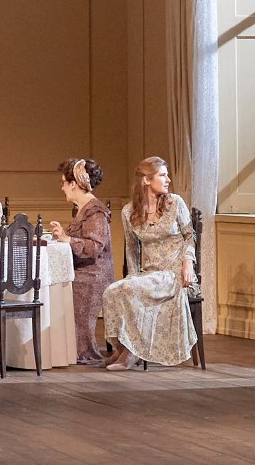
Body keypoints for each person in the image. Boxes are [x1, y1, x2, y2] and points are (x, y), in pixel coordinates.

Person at [98, 156, 196, 370]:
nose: (168, 179)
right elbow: (132, 248)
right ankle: (121, 348)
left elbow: (190, 236)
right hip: (149, 273)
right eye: (162, 175)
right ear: (146, 180)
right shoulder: (128, 211)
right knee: (112, 291)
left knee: (131, 290)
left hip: (174, 272)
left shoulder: (175, 203)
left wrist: (187, 263)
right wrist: (133, 276)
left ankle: (131, 354)